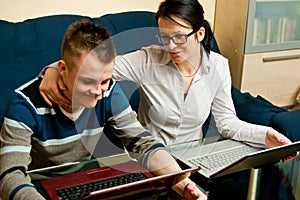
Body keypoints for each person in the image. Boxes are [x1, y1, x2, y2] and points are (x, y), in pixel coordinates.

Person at [40, 0, 297, 156]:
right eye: (164, 37)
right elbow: (90, 65)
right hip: (149, 159)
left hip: (193, 161)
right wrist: (51, 71)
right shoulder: (147, 59)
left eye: (179, 38)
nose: (171, 47)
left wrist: (266, 135)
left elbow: (227, 122)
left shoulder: (218, 66)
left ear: (199, 34)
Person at [0, 20, 206, 200]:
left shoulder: (109, 91)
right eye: (88, 81)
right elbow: (11, 174)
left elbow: (142, 143)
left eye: (104, 81)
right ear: (62, 69)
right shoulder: (24, 104)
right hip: (39, 191)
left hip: (90, 184)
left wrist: (183, 183)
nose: (98, 92)